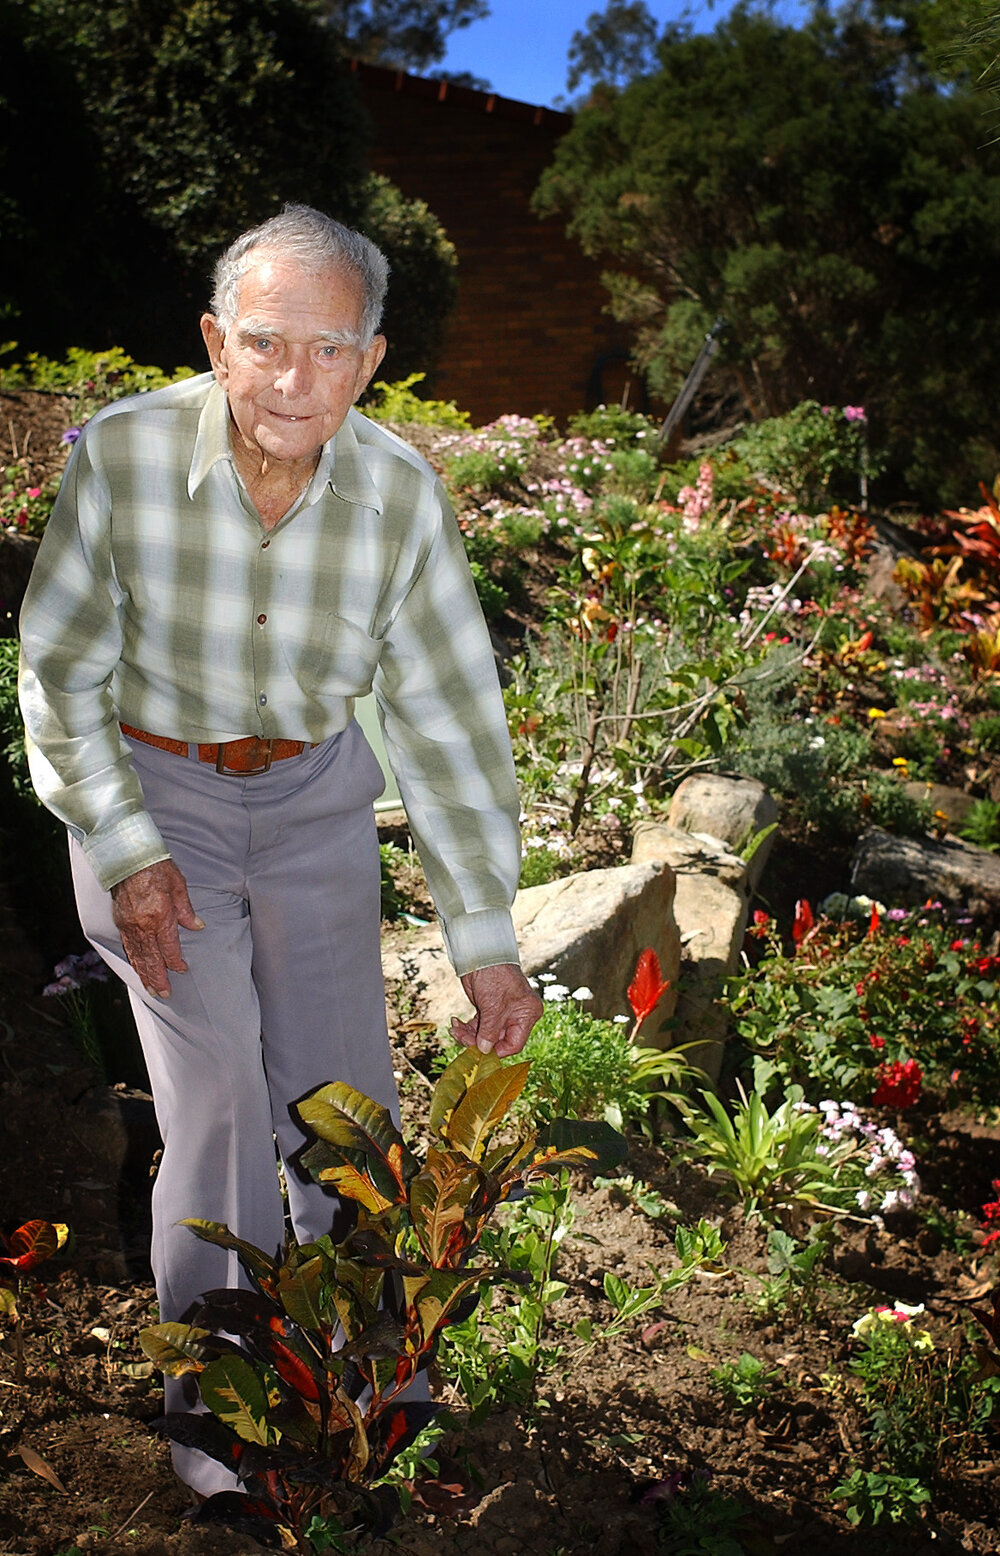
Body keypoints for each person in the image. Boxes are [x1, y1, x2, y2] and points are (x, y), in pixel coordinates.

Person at [18, 203, 542, 1498]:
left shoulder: (401, 497)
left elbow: (450, 724)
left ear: (370, 360)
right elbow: (60, 667)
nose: (291, 380)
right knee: (222, 1108)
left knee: (343, 1102)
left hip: (311, 798)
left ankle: (364, 1391)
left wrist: (485, 941)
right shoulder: (128, 458)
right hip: (151, 793)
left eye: (327, 351)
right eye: (262, 344)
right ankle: (225, 1429)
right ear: (214, 341)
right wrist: (128, 847)